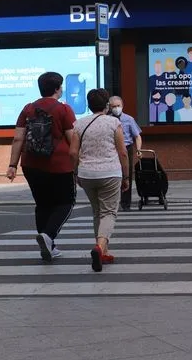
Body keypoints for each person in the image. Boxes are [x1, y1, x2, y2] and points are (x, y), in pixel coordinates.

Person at [6, 72, 77, 262]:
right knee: (66, 202)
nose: (61, 89)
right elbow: (72, 139)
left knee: (43, 204)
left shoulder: (28, 109)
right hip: (59, 165)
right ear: (56, 89)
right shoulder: (64, 109)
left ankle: (49, 246)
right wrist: (79, 162)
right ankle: (48, 236)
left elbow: (18, 138)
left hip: (31, 165)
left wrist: (12, 165)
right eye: (60, 86)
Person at [71, 88, 129, 272]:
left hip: (87, 174)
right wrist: (126, 176)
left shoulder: (79, 124)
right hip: (110, 172)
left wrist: (75, 173)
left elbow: (73, 152)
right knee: (109, 213)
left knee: (97, 212)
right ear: (106, 105)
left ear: (88, 105)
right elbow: (122, 152)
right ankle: (99, 247)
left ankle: (103, 251)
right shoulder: (114, 123)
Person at [109, 95, 142, 212]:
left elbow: (137, 136)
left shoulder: (129, 119)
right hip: (112, 149)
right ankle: (112, 202)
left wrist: (138, 149)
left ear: (122, 106)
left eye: (118, 106)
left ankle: (126, 203)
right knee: (112, 175)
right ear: (109, 107)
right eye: (113, 106)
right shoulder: (107, 119)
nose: (116, 108)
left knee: (126, 175)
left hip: (127, 148)